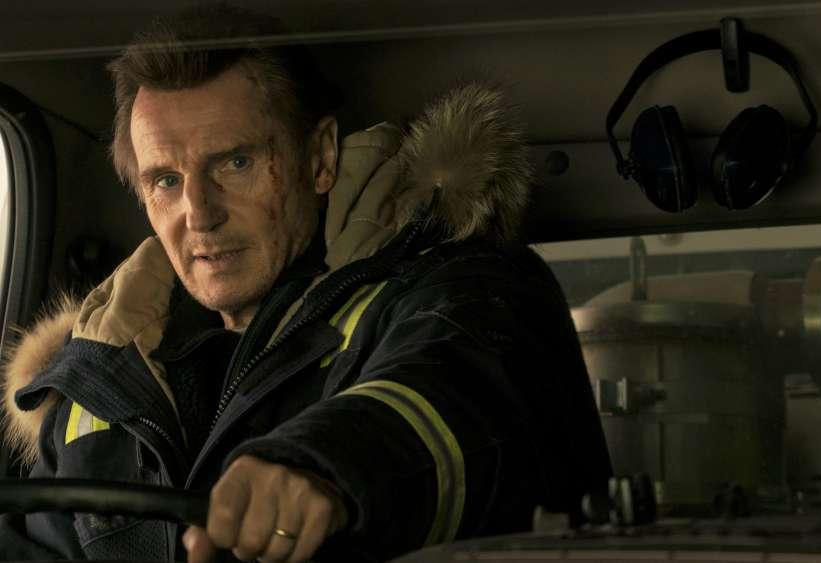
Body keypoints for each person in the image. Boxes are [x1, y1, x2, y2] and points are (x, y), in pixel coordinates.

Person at [0, 4, 611, 562]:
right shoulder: (98, 379)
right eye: (166, 180)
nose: (199, 213)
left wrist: (321, 464)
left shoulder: (460, 290)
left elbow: (458, 397)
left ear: (319, 158)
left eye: (235, 162)